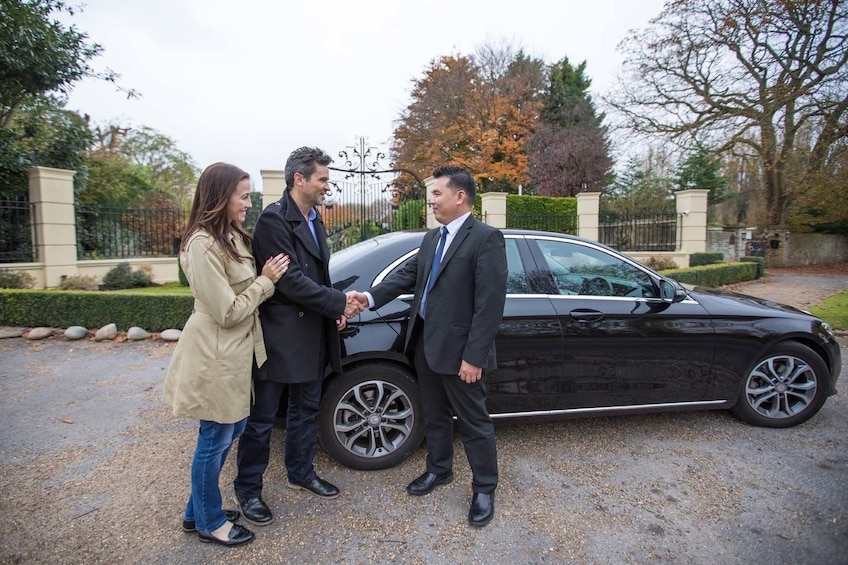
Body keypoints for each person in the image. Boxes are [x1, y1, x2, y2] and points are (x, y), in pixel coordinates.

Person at [348, 165, 507, 527]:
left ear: (459, 196)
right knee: (434, 415)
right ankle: (439, 470)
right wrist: (369, 297)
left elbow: (489, 305)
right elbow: (408, 277)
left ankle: (484, 487)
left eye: (436, 193)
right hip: (426, 344)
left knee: (474, 422)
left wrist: (473, 356)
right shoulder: (432, 238)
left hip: (460, 352)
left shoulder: (486, 238)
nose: (431, 200)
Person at [162, 162, 290, 547]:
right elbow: (229, 310)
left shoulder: (229, 237)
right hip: (214, 354)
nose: (249, 203)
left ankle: (196, 511)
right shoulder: (201, 244)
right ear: (222, 197)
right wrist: (266, 282)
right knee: (214, 437)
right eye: (243, 195)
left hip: (234, 353)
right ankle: (210, 522)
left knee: (228, 430)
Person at [233, 146, 362, 526]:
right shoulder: (274, 221)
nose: (328, 185)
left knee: (305, 410)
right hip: (280, 337)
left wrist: (332, 311)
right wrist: (337, 303)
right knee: (261, 420)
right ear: (299, 179)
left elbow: (320, 277)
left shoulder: (314, 218)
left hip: (313, 333)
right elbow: (289, 282)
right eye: (322, 178)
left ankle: (300, 473)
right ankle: (248, 490)